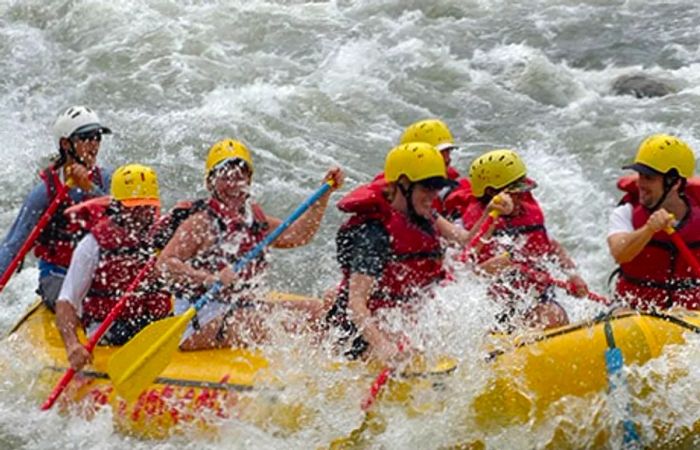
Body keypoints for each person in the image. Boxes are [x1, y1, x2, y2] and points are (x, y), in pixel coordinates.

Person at [156, 139, 344, 350]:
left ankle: (331, 361)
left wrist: (324, 195)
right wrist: (209, 279)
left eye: (239, 177)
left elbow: (298, 235)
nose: (233, 184)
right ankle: (311, 369)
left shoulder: (252, 219)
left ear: (249, 181)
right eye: (225, 177)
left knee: (316, 311)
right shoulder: (200, 222)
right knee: (275, 325)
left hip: (234, 306)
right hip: (198, 322)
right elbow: (164, 264)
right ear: (210, 183)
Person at [325, 142, 493, 365]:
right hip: (358, 335)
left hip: (400, 321)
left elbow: (466, 241)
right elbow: (356, 302)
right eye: (427, 187)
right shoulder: (373, 233)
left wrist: (491, 213)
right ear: (403, 184)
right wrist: (383, 346)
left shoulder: (426, 216)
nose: (433, 195)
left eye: (436, 188)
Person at [56, 164, 170, 371]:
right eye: (134, 207)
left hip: (155, 327)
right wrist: (72, 344)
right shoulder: (92, 245)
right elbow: (66, 302)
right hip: (110, 332)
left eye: (147, 206)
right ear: (117, 207)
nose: (142, 214)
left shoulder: (161, 239)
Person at [460, 149, 588, 330]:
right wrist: (501, 262)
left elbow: (550, 246)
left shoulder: (530, 213)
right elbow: (466, 273)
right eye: (515, 192)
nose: (521, 197)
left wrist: (573, 275)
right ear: (491, 192)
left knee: (553, 316)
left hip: (535, 299)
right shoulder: (477, 222)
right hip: (492, 310)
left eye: (522, 191)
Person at [0, 106, 112, 310]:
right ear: (65, 144)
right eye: (86, 137)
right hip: (57, 273)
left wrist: (90, 188)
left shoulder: (104, 180)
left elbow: (121, 218)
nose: (94, 144)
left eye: (97, 137)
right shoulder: (44, 193)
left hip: (97, 272)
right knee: (74, 305)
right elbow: (13, 244)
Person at [608, 134, 700, 311]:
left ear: (674, 183)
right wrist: (648, 229)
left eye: (649, 178)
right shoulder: (625, 212)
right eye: (640, 175)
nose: (640, 184)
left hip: (690, 316)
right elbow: (619, 253)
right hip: (634, 314)